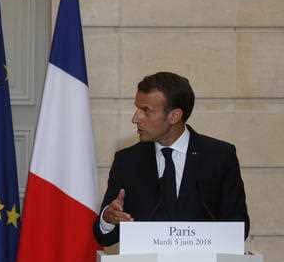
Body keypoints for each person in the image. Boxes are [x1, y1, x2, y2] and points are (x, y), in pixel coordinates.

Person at [94, 71, 250, 247]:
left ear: (174, 116)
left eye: (146, 111)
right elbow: (104, 237)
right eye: (137, 108)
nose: (135, 118)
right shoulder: (127, 160)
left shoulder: (219, 157)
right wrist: (108, 218)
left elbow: (239, 227)